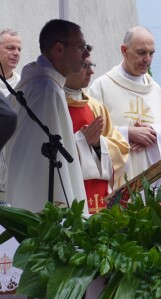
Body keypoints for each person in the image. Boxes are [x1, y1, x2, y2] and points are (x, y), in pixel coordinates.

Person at [5, 19, 90, 212]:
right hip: (40, 209)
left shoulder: (36, 84)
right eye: (80, 47)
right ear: (59, 49)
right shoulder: (46, 90)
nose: (85, 55)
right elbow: (38, 168)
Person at [89, 26, 161, 182]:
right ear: (124, 51)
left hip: (153, 185)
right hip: (116, 185)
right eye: (141, 53)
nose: (147, 59)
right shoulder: (101, 88)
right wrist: (127, 134)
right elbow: (89, 135)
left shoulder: (157, 92)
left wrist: (154, 133)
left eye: (151, 53)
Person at [64, 55, 129, 214]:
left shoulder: (96, 107)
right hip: (68, 197)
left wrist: (98, 144)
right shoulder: (54, 105)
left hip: (100, 200)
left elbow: (121, 150)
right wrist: (81, 142)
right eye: (84, 66)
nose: (91, 71)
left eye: (92, 65)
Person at [0, 29, 22, 202]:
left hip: (15, 170)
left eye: (19, 49)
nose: (16, 53)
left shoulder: (24, 86)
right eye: (10, 48)